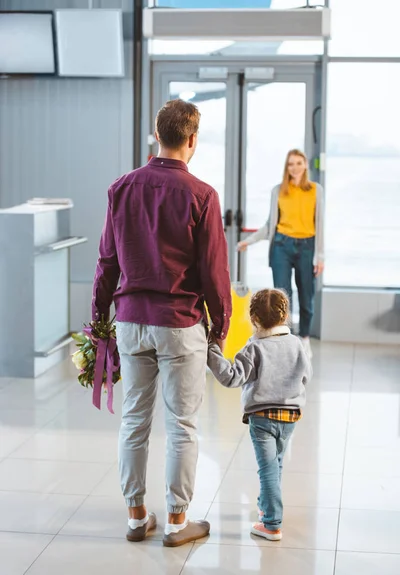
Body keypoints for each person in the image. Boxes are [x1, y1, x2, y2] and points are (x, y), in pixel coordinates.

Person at [92, 99, 232, 547]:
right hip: (180, 321)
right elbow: (214, 272)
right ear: (192, 140)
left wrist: (99, 321)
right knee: (182, 425)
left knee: (134, 418)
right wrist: (220, 325)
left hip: (132, 320)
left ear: (157, 134)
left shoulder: (121, 189)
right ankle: (176, 521)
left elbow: (106, 262)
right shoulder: (202, 195)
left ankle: (136, 517)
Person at [207, 288, 312, 541]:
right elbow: (306, 376)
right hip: (290, 417)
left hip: (262, 418)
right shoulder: (296, 344)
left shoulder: (254, 347)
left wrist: (211, 350)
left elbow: (231, 377)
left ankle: (272, 523)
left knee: (266, 469)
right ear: (285, 316)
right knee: (275, 464)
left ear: (254, 320)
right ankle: (266, 506)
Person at [237, 150, 324, 357]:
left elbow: (319, 223)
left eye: (299, 163)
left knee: (306, 295)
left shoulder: (315, 190)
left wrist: (319, 256)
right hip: (281, 246)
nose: (295, 167)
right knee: (282, 296)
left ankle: (304, 338)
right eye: (291, 164)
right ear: (287, 167)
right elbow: (270, 226)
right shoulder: (278, 191)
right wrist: (248, 241)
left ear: (305, 165)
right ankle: (287, 338)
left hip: (307, 246)